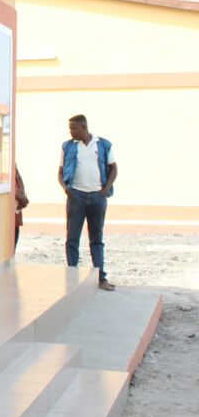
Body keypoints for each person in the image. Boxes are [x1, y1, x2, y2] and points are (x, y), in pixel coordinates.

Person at [58, 114, 118, 291]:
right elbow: (60, 172)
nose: (71, 132)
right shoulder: (68, 147)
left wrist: (105, 190)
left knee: (96, 239)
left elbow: (114, 168)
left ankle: (100, 278)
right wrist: (66, 189)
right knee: (72, 238)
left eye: (73, 128)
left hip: (97, 198)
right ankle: (72, 278)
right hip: (76, 197)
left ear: (83, 127)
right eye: (70, 128)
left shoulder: (103, 145)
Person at [14, 166, 29, 249]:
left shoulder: (13, 162)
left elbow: (19, 177)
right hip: (8, 209)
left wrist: (22, 195)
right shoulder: (4, 158)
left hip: (16, 209)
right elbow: (4, 182)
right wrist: (19, 197)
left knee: (15, 234)